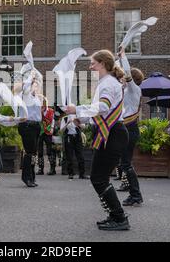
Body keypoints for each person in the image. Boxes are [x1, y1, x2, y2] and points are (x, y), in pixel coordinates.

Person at [65, 50, 130, 231]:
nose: (90, 66)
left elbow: (103, 107)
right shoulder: (106, 83)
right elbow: (101, 113)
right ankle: (114, 214)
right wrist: (82, 119)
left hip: (113, 134)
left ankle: (119, 217)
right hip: (111, 132)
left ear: (102, 63)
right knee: (99, 178)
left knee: (98, 178)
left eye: (92, 63)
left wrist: (76, 109)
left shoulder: (108, 83)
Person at [115, 46, 144, 206]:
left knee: (126, 163)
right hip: (127, 129)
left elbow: (126, 73)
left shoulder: (135, 90)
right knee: (125, 162)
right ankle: (133, 192)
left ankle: (136, 195)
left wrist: (123, 57)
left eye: (126, 78)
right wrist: (118, 59)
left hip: (130, 129)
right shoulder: (126, 91)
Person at [18, 74, 42, 187]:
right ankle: (26, 178)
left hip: (36, 126)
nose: (36, 88)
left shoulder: (36, 98)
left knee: (33, 154)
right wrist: (30, 78)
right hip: (27, 126)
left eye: (37, 86)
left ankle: (31, 177)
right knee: (29, 153)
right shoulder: (25, 96)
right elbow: (25, 86)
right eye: (34, 86)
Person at [37, 98, 56, 175]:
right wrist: (40, 113)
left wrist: (51, 128)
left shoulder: (50, 111)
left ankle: (52, 168)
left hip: (48, 131)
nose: (42, 105)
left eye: (43, 103)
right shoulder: (38, 111)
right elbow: (37, 120)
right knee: (40, 151)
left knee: (49, 151)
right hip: (40, 132)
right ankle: (40, 169)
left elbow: (53, 120)